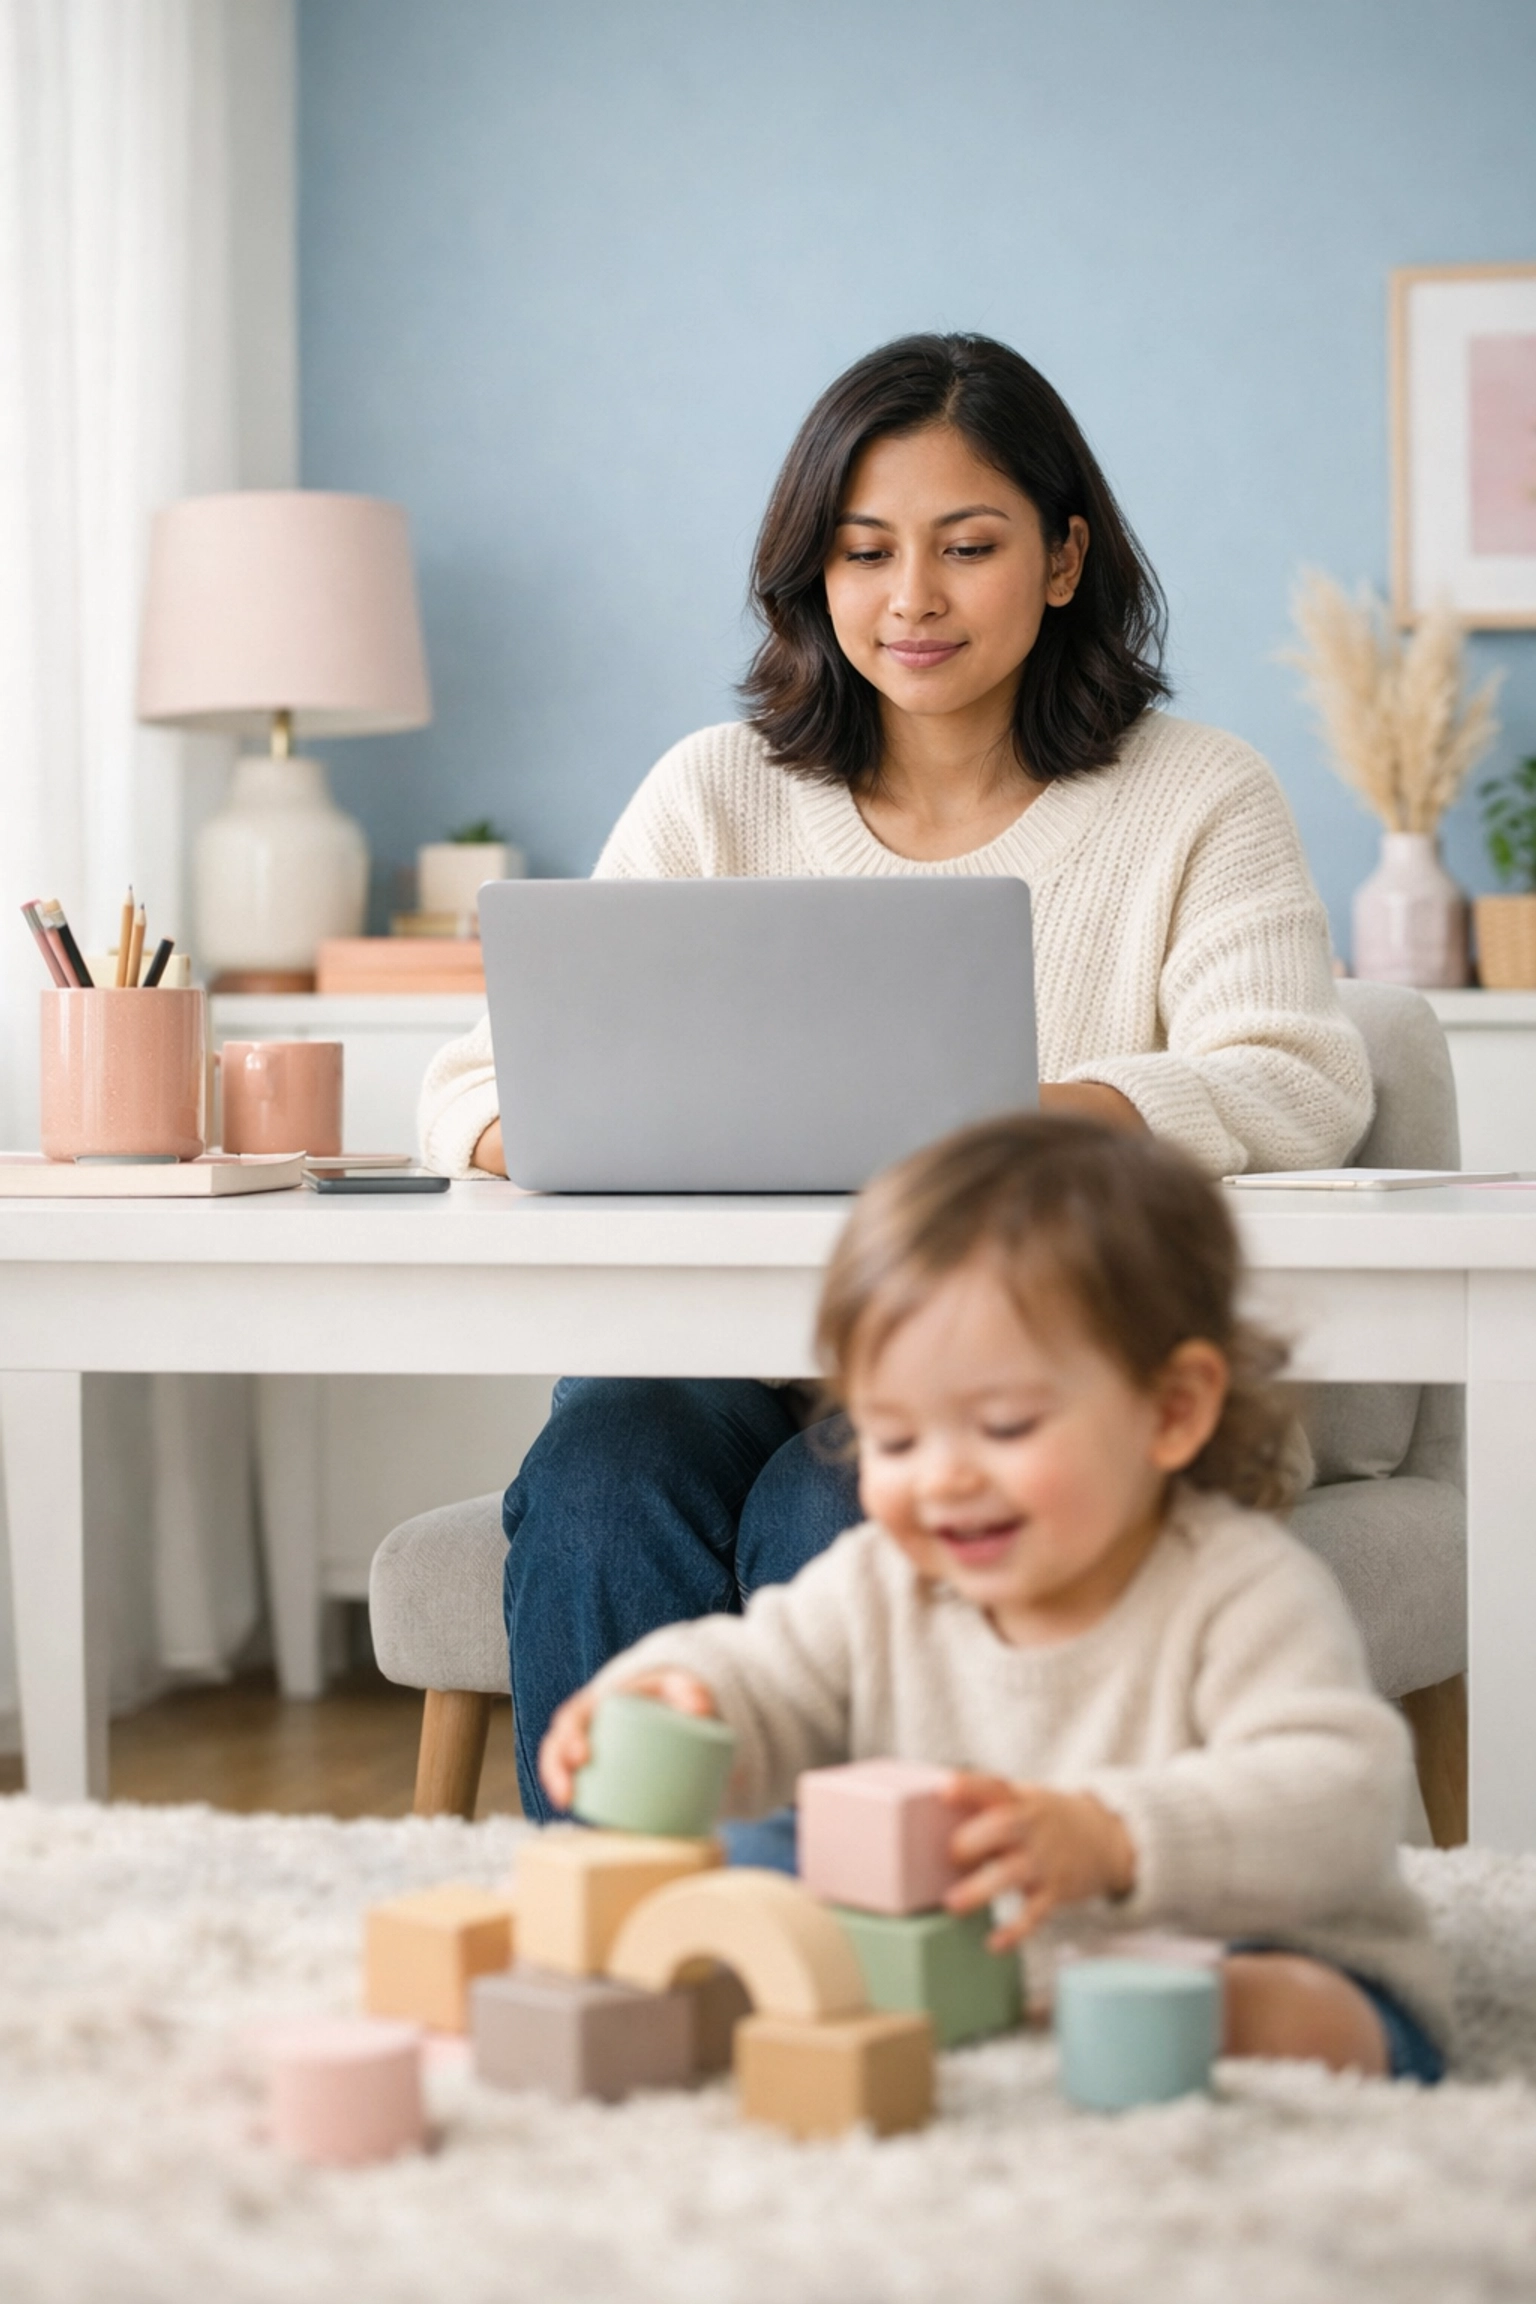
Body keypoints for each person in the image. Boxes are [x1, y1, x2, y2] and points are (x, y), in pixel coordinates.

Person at [418, 333, 1373, 1817]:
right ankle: (620, 1929)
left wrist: (1012, 1131)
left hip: (1019, 1378)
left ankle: (872, 1939)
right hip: (710, 1345)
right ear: (814, 575)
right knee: (605, 1473)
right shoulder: (714, 791)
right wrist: (541, 1124)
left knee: (843, 1494)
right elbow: (473, 1083)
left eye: (967, 547)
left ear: (1063, 561)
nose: (910, 599)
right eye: (863, 554)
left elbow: (1298, 1078)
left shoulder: (1197, 792)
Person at [540, 1115, 1448, 2082]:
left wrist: (1113, 1836)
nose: (943, 1480)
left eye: (1005, 1426)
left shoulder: (1239, 1591)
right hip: (962, 1939)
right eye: (893, 1439)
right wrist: (682, 1690)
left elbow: (1343, 1795)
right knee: (749, 1862)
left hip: (1228, 1934)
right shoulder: (886, 1581)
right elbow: (770, 1670)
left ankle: (1184, 2027)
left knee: (1296, 2011)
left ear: (1174, 1409)